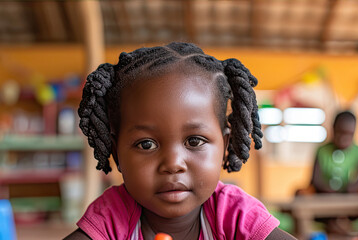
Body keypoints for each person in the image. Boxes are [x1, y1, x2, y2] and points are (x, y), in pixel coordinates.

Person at [65, 42, 294, 239]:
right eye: (147, 144)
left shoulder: (236, 214)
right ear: (117, 155)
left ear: (225, 146)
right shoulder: (111, 216)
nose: (173, 164)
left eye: (194, 141)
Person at [310, 111, 358, 193]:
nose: (343, 139)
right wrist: (326, 189)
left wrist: (355, 186)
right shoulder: (322, 151)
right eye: (339, 133)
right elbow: (315, 179)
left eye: (349, 134)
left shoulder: (357, 151)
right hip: (324, 195)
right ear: (333, 129)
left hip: (347, 195)